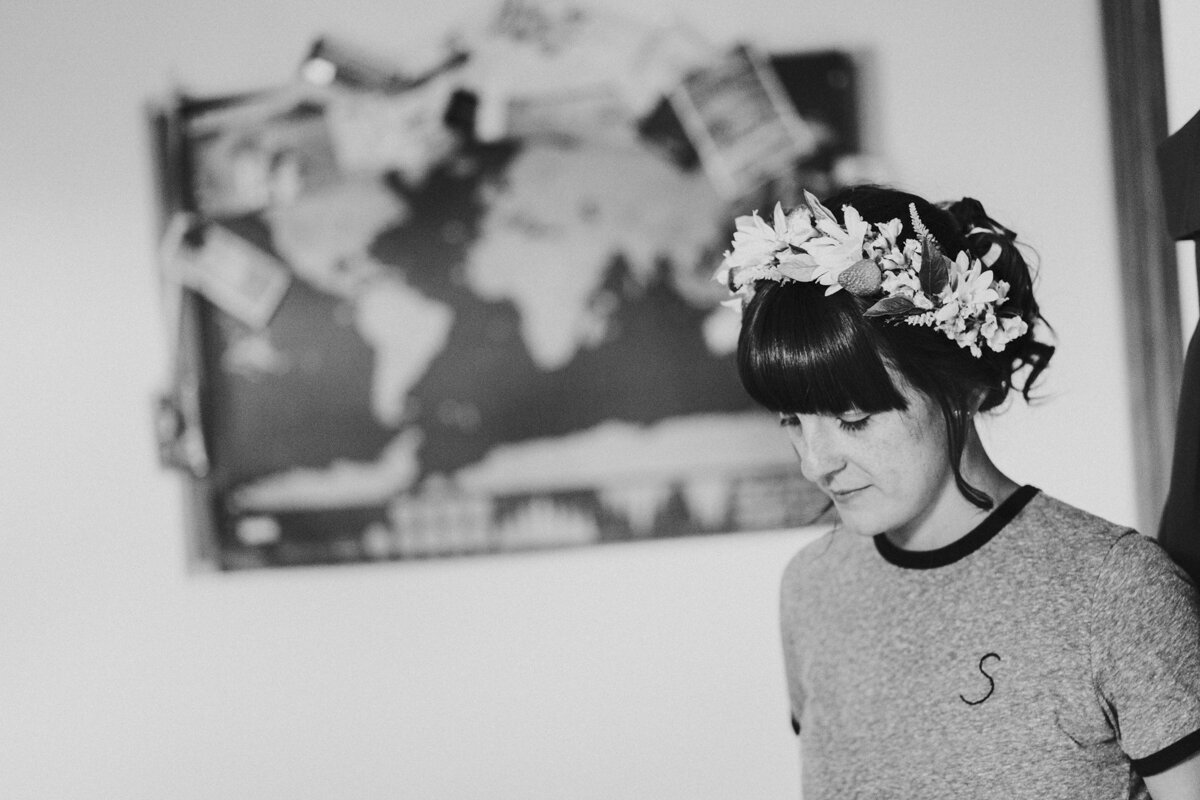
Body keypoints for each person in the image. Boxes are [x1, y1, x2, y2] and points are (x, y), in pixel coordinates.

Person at [716, 184, 1200, 799]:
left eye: (854, 418)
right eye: (792, 420)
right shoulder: (812, 587)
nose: (814, 464)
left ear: (961, 389)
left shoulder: (1118, 591)